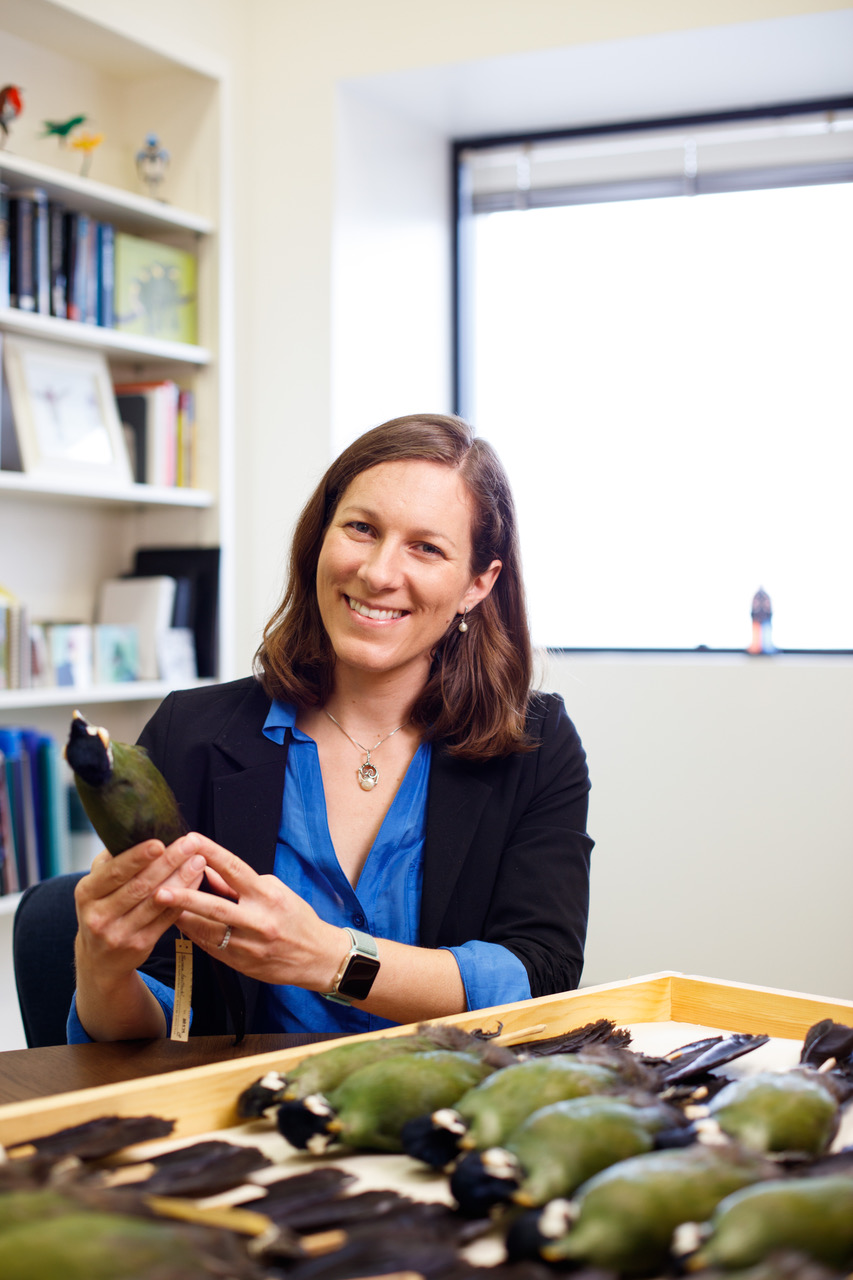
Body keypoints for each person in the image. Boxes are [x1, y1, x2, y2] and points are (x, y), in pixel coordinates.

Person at [71, 413, 593, 1042]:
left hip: (444, 1112)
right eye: (361, 529)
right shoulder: (191, 732)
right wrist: (101, 970)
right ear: (321, 539)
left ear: (478, 584)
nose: (377, 572)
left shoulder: (537, 745)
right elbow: (157, 1024)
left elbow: (541, 977)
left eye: (426, 547)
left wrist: (329, 958)